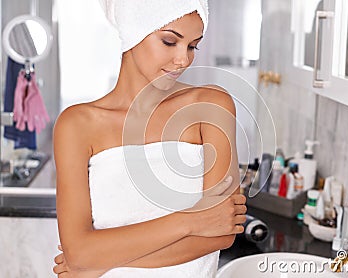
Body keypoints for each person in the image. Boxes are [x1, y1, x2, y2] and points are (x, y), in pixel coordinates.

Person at [52, 0, 246, 277]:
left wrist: (101, 261)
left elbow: (221, 232)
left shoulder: (210, 106)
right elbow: (79, 251)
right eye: (169, 42)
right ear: (133, 31)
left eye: (192, 46)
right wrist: (189, 221)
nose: (184, 60)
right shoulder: (77, 125)